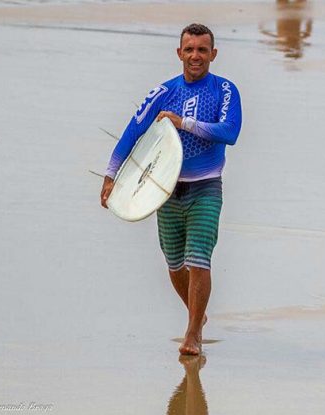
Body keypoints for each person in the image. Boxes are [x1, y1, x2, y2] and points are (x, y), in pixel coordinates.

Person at [100, 23, 242, 355]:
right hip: (163, 189)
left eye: (202, 50)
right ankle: (198, 315)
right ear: (179, 53)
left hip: (206, 188)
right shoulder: (164, 92)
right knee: (174, 262)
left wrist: (184, 123)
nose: (196, 56)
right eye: (189, 49)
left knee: (199, 259)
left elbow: (230, 131)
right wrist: (110, 175)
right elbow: (133, 131)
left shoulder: (224, 90)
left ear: (213, 54)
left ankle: (193, 334)